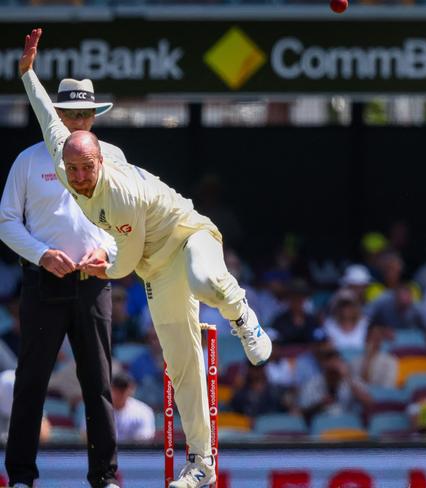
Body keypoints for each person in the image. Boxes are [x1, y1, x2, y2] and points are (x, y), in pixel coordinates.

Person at [19, 29, 272, 488]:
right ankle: (202, 462)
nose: (77, 177)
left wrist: (95, 265)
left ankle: (243, 315)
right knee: (182, 364)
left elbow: (123, 263)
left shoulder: (119, 194)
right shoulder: (64, 155)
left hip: (187, 236)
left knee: (203, 281)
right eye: (71, 170)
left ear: (100, 161)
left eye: (85, 169)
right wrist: (28, 74)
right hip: (156, 267)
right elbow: (44, 116)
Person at [0, 67, 123, 487]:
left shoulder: (114, 159)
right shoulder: (29, 160)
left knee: (99, 386)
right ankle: (20, 478)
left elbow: (132, 225)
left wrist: (106, 251)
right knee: (30, 381)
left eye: (85, 115)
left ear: (94, 117)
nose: (78, 121)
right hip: (43, 282)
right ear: (54, 113)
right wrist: (41, 253)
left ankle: (105, 478)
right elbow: (7, 222)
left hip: (93, 284)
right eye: (70, 113)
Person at [110, 371, 155, 443]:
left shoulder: (143, 411)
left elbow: (145, 440)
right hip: (107, 453)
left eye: (123, 388)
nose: (120, 392)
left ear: (131, 389)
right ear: (110, 388)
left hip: (134, 453)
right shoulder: (99, 411)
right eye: (116, 388)